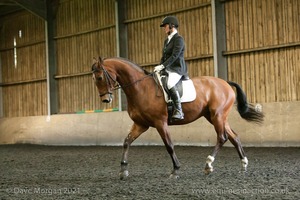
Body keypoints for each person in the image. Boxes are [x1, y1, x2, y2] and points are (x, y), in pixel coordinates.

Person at [154, 16, 188, 120]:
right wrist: (159, 66)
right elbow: (164, 56)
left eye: (165, 26)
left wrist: (163, 66)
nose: (164, 28)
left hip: (177, 68)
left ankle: (179, 110)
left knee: (170, 83)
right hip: (167, 68)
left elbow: (175, 56)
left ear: (172, 26)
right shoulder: (167, 41)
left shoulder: (179, 39)